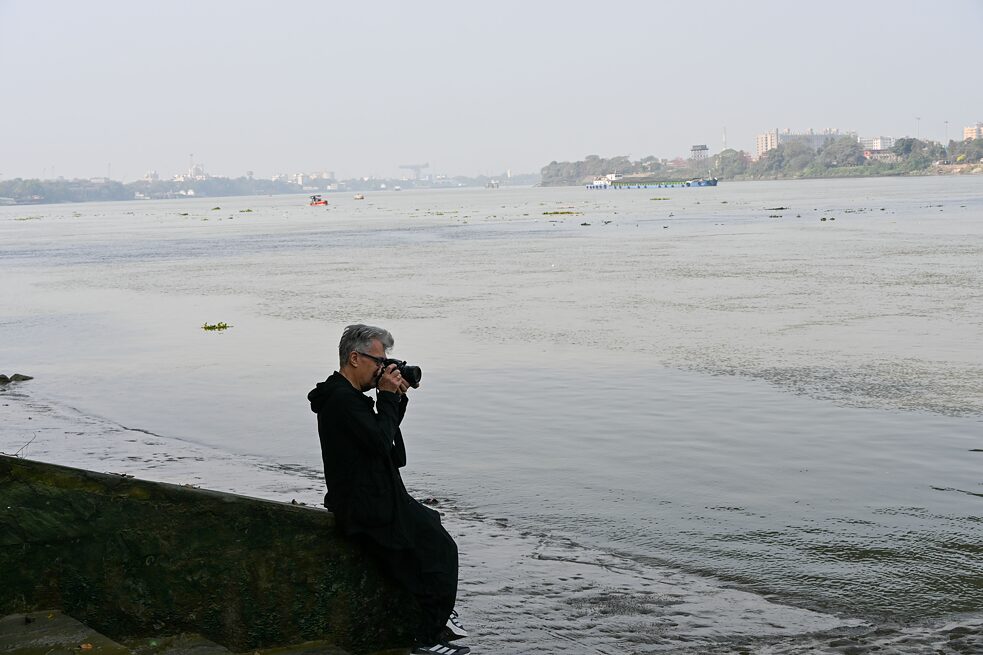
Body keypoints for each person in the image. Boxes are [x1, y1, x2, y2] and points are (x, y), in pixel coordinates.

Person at [308, 324, 470, 655]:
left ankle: (438, 618)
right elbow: (382, 442)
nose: (383, 368)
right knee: (438, 553)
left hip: (378, 495)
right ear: (355, 358)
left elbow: (388, 448)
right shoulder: (341, 400)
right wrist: (385, 397)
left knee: (433, 532)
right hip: (367, 505)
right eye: (378, 361)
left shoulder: (351, 398)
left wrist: (396, 398)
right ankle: (428, 638)